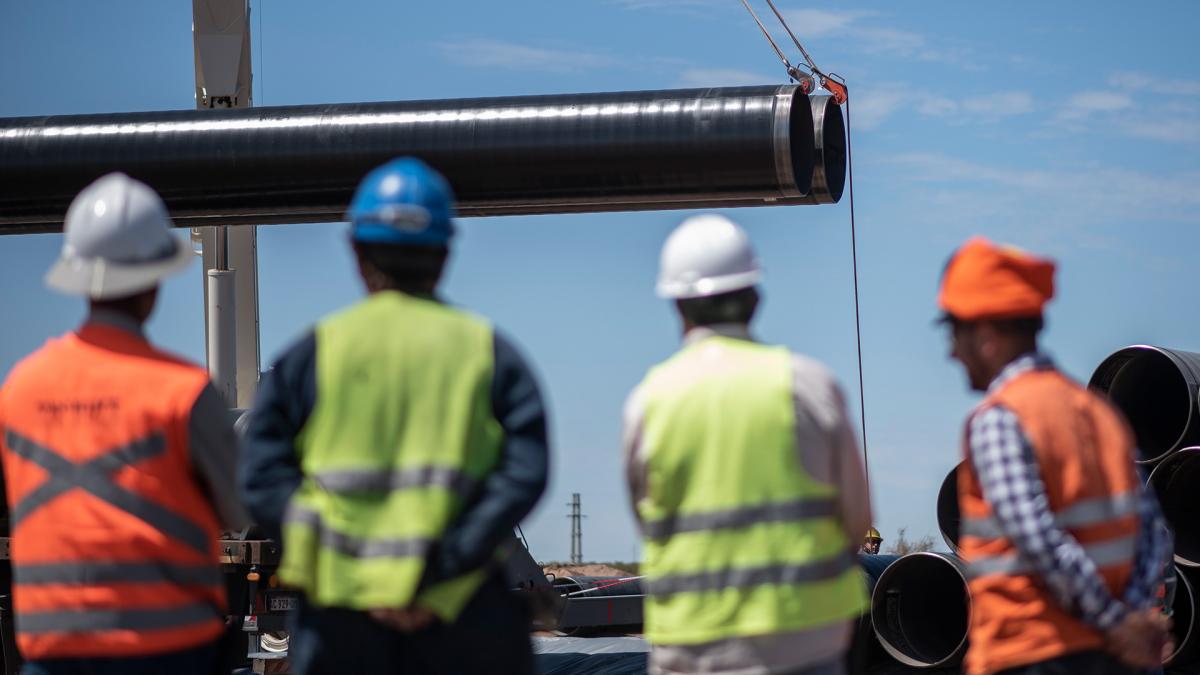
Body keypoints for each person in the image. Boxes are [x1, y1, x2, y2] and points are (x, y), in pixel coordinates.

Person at [239, 157, 549, 675]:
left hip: (343, 614)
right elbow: (525, 472)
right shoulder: (489, 353)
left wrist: (350, 565)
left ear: (357, 252)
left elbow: (261, 478)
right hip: (463, 614)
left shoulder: (312, 357)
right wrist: (445, 567)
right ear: (446, 252)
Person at [0, 173, 247, 675]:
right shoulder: (181, 392)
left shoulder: (19, 392)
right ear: (153, 285)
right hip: (169, 655)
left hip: (52, 655)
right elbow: (242, 509)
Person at [623, 214, 871, 675]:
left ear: (677, 305)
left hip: (690, 648)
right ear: (755, 298)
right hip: (803, 642)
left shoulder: (649, 401)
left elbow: (645, 517)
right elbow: (856, 521)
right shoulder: (809, 386)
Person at [941, 237, 1174, 675]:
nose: (953, 353)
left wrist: (1115, 624)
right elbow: (1152, 536)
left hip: (1031, 654)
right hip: (1117, 660)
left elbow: (1039, 542)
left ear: (987, 336)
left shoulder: (1000, 418)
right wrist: (1133, 620)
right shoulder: (1098, 415)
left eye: (955, 334)